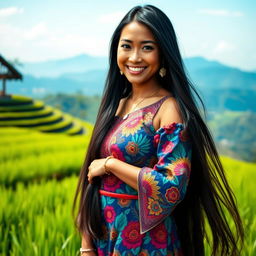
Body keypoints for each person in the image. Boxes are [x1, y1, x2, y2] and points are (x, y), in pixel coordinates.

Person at [73, 5, 244, 256]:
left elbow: (170, 186)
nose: (134, 57)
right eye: (127, 45)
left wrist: (110, 164)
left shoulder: (168, 109)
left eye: (147, 47)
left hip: (148, 243)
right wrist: (86, 245)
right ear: (116, 51)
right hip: (105, 238)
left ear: (163, 54)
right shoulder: (116, 104)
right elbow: (92, 181)